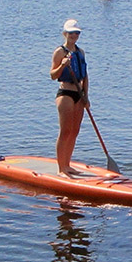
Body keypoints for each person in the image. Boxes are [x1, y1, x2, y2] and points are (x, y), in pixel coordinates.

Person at [50, 19, 89, 177]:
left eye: (77, 33)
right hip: (65, 93)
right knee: (65, 131)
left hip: (79, 94)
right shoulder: (59, 52)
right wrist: (62, 66)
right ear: (65, 34)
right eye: (71, 33)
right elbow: (53, 75)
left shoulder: (80, 52)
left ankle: (68, 164)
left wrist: (86, 96)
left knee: (75, 131)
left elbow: (85, 76)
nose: (74, 35)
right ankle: (61, 169)